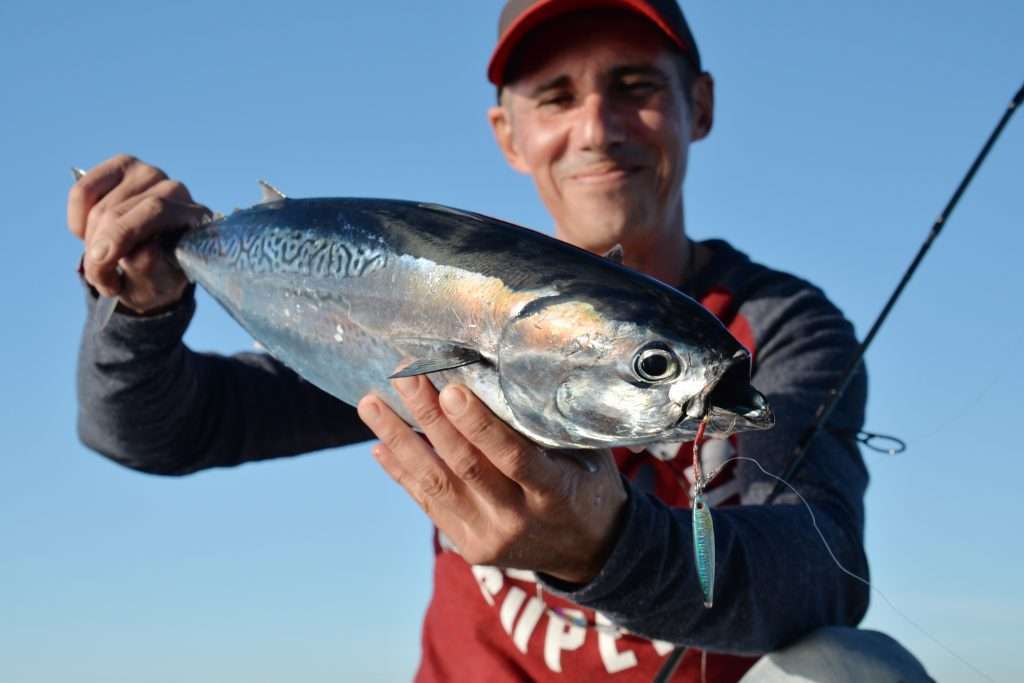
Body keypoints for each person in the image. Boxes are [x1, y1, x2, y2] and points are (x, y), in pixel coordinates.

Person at [67, 1, 935, 681]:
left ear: (697, 105)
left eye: (634, 84)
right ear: (506, 135)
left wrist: (605, 548)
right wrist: (137, 311)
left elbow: (821, 570)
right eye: (556, 96)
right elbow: (157, 430)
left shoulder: (776, 326)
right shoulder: (415, 299)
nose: (596, 127)